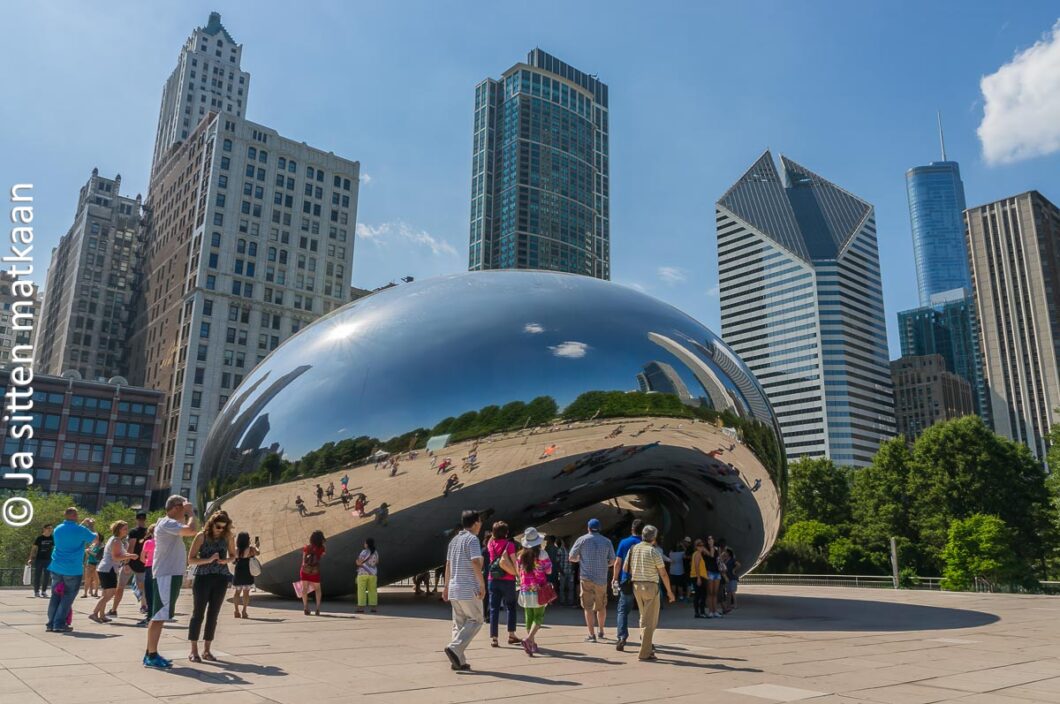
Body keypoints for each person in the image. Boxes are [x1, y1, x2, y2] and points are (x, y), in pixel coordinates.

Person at [144, 495, 199, 669]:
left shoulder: (169, 524)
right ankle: (151, 655)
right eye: (183, 507)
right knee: (159, 615)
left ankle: (150, 653)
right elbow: (191, 530)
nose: (186, 510)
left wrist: (187, 512)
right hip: (165, 575)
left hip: (170, 575)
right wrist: (191, 512)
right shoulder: (167, 523)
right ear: (175, 507)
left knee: (161, 615)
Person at [187, 510, 235, 662]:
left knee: (213, 614)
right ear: (212, 524)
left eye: (223, 527)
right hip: (203, 578)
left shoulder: (227, 537)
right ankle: (193, 650)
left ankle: (207, 650)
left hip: (220, 578)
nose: (220, 530)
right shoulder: (201, 536)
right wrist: (208, 560)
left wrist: (225, 561)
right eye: (218, 526)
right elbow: (191, 559)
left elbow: (234, 556)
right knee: (198, 614)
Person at [623, 525, 675, 661]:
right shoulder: (654, 552)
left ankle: (646, 645)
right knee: (650, 621)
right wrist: (669, 592)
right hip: (650, 586)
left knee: (643, 617)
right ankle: (645, 652)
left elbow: (625, 567)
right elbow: (663, 573)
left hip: (636, 586)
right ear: (654, 537)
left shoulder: (633, 549)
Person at [442, 510, 484, 672]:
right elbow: (475, 562)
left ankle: (458, 660)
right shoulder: (472, 539)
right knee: (476, 620)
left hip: (453, 587)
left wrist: (445, 587)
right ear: (475, 523)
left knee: (458, 624)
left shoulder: (454, 540)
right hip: (467, 587)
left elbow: (448, 565)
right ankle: (454, 648)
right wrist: (482, 585)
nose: (480, 525)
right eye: (480, 522)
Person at [46, 508, 97, 633]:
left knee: (55, 595)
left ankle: (50, 623)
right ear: (74, 516)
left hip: (56, 567)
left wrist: (82, 525)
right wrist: (90, 525)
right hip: (72, 569)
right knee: (67, 597)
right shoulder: (81, 530)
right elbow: (94, 539)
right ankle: (59, 624)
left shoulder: (58, 529)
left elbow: (71, 535)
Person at [568, 518, 618, 642]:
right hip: (601, 578)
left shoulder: (582, 540)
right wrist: (604, 564)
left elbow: (571, 557)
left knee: (588, 607)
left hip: (586, 578)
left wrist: (581, 559)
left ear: (588, 528)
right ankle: (601, 631)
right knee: (601, 606)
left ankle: (591, 635)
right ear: (599, 528)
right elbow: (613, 560)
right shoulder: (607, 541)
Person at [91, 520, 138, 623]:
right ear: (119, 529)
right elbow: (116, 557)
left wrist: (127, 555)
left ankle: (102, 615)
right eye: (124, 528)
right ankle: (95, 613)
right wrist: (131, 555)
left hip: (106, 569)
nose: (127, 530)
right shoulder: (116, 541)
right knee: (110, 594)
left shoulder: (116, 540)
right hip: (108, 569)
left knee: (106, 594)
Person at [516, 527, 552, 656]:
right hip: (539, 589)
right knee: (539, 616)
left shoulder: (520, 555)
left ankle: (532, 644)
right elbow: (549, 571)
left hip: (525, 589)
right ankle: (529, 639)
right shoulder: (542, 554)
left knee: (529, 616)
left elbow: (518, 571)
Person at [486, 521, 520, 647]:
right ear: (506, 533)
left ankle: (494, 638)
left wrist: (493, 534)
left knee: (494, 608)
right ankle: (511, 635)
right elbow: (515, 561)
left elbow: (490, 539)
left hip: (492, 579)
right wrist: (519, 575)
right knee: (511, 607)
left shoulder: (491, 544)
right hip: (508, 580)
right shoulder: (509, 545)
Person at [613, 518, 643, 652]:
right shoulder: (646, 544)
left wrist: (614, 578)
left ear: (632, 529)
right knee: (645, 612)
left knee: (622, 610)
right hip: (643, 581)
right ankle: (646, 639)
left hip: (627, 581)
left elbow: (618, 563)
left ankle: (622, 637)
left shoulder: (624, 543)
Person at [115, 512, 149, 615]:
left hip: (131, 562)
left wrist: (126, 563)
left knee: (120, 586)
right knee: (142, 587)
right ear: (145, 519)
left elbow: (131, 547)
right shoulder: (148, 532)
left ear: (136, 519)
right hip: (143, 563)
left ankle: (114, 608)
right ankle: (144, 606)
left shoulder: (133, 531)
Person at [231, 531, 259, 619]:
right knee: (246, 593)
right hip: (247, 571)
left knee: (237, 592)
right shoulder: (251, 548)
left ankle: (236, 611)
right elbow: (258, 553)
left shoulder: (236, 549)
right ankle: (244, 611)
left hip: (238, 570)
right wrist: (257, 546)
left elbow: (233, 560)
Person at [300, 530, 326, 616]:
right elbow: (322, 555)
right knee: (317, 589)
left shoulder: (306, 547)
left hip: (305, 570)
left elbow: (303, 559)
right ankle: (317, 609)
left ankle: (305, 607)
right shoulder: (321, 548)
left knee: (304, 589)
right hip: (315, 571)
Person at [135, 526, 156, 627]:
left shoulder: (148, 542)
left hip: (149, 568)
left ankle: (149, 617)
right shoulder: (163, 543)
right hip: (160, 568)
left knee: (149, 593)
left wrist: (148, 561)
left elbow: (142, 558)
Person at [27, 523, 55, 598]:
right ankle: (36, 591)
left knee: (46, 576)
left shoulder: (52, 538)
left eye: (51, 528)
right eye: (48, 528)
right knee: (37, 576)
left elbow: (55, 549)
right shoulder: (39, 538)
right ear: (44, 529)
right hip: (39, 559)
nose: (50, 530)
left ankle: (44, 591)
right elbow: (34, 549)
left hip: (48, 560)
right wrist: (30, 558)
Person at [355, 537, 380, 613]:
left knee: (361, 591)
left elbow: (359, 562)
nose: (364, 544)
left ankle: (361, 608)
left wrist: (356, 562)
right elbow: (377, 562)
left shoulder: (363, 552)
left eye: (365, 543)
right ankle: (374, 607)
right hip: (373, 574)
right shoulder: (375, 552)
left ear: (367, 544)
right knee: (372, 590)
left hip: (362, 574)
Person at [704, 535, 722, 618]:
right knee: (710, 592)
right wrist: (711, 547)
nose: (710, 541)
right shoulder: (705, 549)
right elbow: (711, 555)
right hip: (710, 572)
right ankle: (710, 611)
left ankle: (715, 611)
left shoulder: (717, 549)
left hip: (717, 572)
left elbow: (719, 559)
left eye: (711, 539)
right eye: (709, 540)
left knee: (715, 593)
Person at [690, 539, 709, 618]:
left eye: (702, 545)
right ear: (696, 547)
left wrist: (704, 550)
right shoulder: (697, 554)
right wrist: (698, 578)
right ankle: (700, 612)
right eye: (700, 546)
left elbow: (709, 554)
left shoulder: (697, 554)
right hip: (699, 576)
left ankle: (699, 612)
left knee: (699, 595)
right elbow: (697, 566)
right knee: (701, 595)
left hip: (699, 576)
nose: (701, 547)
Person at [83, 534, 104, 598]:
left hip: (97, 564)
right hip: (90, 563)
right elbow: (88, 555)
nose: (93, 538)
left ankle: (96, 592)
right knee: (87, 578)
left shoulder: (101, 546)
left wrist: (89, 552)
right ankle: (85, 593)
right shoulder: (92, 545)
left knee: (96, 578)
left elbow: (98, 556)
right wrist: (87, 552)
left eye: (95, 537)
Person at [723, 547, 741, 612]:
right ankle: (728, 605)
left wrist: (734, 570)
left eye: (725, 552)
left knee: (733, 591)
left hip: (733, 577)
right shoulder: (725, 560)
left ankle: (735, 604)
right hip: (727, 578)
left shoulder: (732, 560)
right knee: (728, 592)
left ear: (728, 553)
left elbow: (738, 565)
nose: (724, 553)